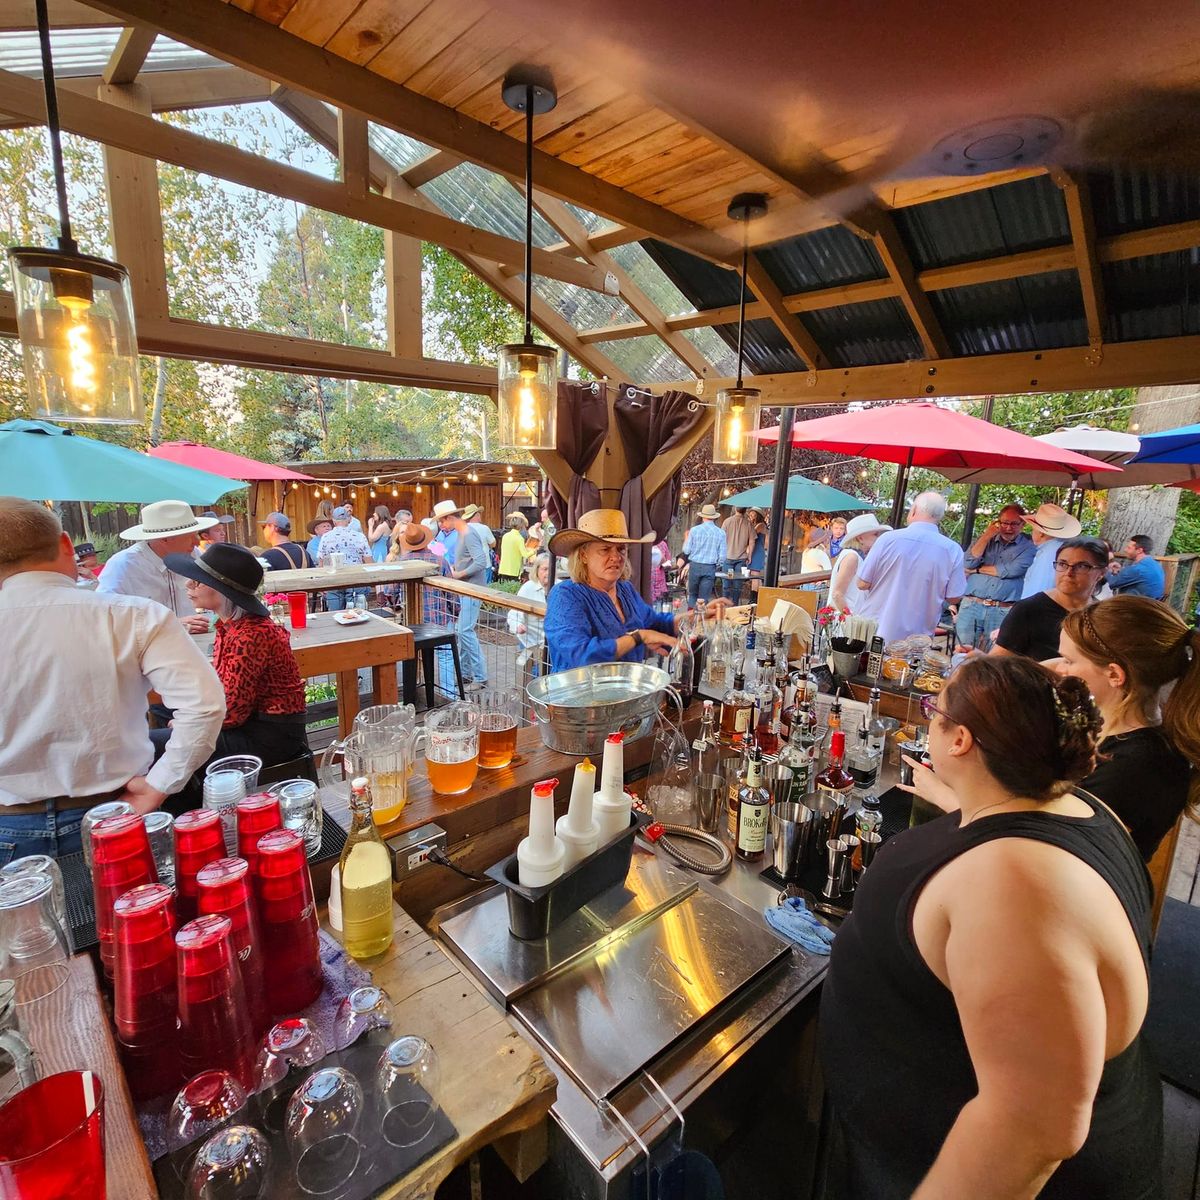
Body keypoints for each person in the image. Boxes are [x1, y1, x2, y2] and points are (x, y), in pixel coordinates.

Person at [826, 654, 1163, 1199]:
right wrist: (958, 797)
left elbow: (1032, 1128)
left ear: (959, 740)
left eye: (935, 715)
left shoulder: (1017, 885)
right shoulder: (1081, 808)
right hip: (910, 1140)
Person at [0, 498, 224, 855]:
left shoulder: (136, 613)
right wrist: (159, 786)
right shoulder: (131, 614)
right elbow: (205, 707)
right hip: (119, 807)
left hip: (10, 819)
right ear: (66, 546)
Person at [1058, 596, 1200, 861]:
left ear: (1114, 674)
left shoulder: (1141, 766)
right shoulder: (1100, 726)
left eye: (1067, 660)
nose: (1059, 669)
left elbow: (1058, 849)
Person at [161, 543, 309, 773]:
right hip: (251, 721)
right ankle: (188, 797)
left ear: (220, 589)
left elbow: (232, 715)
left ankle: (191, 803)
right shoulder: (229, 626)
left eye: (197, 580)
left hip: (269, 734)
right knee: (161, 712)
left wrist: (189, 724)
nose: (188, 584)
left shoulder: (250, 635)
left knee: (158, 745)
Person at [544, 510, 728, 672]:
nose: (616, 557)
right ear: (583, 555)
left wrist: (694, 616)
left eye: (621, 549)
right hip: (578, 705)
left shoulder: (624, 589)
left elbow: (654, 624)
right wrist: (638, 637)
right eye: (605, 549)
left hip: (625, 697)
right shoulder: (565, 596)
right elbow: (581, 655)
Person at [855, 491, 966, 644]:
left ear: (913, 510)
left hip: (877, 630)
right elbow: (954, 597)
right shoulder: (952, 550)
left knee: (869, 666)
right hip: (918, 638)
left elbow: (862, 583)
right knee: (911, 667)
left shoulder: (888, 539)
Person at [99, 500, 215, 634]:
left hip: (193, 644)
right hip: (146, 650)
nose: (197, 542)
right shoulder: (124, 565)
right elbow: (103, 616)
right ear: (164, 539)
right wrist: (170, 624)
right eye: (190, 536)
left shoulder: (194, 555)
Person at [992, 537, 1109, 661]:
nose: (1069, 572)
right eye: (1062, 564)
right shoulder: (1029, 610)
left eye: (1082, 566)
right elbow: (998, 662)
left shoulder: (1102, 615)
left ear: (1101, 573)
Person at [955, 504, 1036, 649]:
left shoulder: (1029, 546)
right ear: (998, 522)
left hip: (1002, 609)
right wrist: (987, 536)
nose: (1008, 528)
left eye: (1014, 524)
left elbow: (1010, 571)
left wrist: (975, 571)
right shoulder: (985, 540)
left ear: (1022, 524)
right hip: (972, 605)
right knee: (962, 652)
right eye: (1004, 523)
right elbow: (968, 562)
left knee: (993, 658)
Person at [435, 499, 490, 689]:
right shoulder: (461, 532)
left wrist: (459, 573)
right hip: (466, 588)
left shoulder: (468, 532)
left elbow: (481, 561)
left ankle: (480, 676)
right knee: (462, 630)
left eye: (441, 521)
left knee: (464, 630)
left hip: (472, 588)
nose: (441, 525)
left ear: (450, 518)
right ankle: (466, 672)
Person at [827, 514, 891, 612]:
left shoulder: (857, 556)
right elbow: (837, 594)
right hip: (846, 621)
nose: (878, 538)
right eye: (875, 534)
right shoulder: (851, 557)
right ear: (860, 538)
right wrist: (851, 620)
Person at [315, 505, 372, 610]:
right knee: (357, 615)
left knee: (335, 614)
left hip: (334, 580)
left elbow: (322, 563)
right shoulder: (360, 537)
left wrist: (323, 583)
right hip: (356, 580)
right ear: (349, 520)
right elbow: (369, 562)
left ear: (333, 521)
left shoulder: (326, 537)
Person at [1020, 503, 1081, 598]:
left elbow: (1037, 593)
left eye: (1033, 529)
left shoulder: (1048, 554)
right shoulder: (1061, 548)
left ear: (1040, 533)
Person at [682, 504, 726, 609]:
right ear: (714, 517)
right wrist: (718, 564)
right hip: (710, 567)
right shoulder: (721, 533)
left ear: (702, 516)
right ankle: (701, 622)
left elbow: (686, 550)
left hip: (695, 565)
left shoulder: (694, 530)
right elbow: (723, 556)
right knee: (704, 597)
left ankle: (690, 620)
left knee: (692, 595)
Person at [508, 552, 551, 653]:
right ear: (536, 571)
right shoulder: (528, 588)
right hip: (531, 643)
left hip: (552, 644)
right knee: (532, 667)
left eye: (551, 569)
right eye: (545, 569)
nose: (548, 573)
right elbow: (514, 613)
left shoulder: (559, 586)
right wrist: (518, 626)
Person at [1108, 534, 1166, 599]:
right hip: (1151, 604)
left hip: (1135, 606)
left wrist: (1106, 568)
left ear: (1139, 550)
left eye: (1128, 548)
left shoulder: (1138, 569)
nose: (1125, 550)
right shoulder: (1155, 564)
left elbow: (1110, 583)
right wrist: (1120, 570)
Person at [721, 506, 755, 603]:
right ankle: (734, 605)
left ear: (735, 509)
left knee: (726, 585)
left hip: (727, 557)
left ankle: (724, 605)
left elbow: (721, 539)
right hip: (742, 558)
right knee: (737, 586)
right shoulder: (748, 523)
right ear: (745, 511)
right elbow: (752, 541)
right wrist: (750, 556)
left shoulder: (727, 522)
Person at [499, 513, 532, 581]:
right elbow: (525, 554)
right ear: (521, 525)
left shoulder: (505, 536)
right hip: (514, 570)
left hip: (503, 568)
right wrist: (534, 551)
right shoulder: (519, 538)